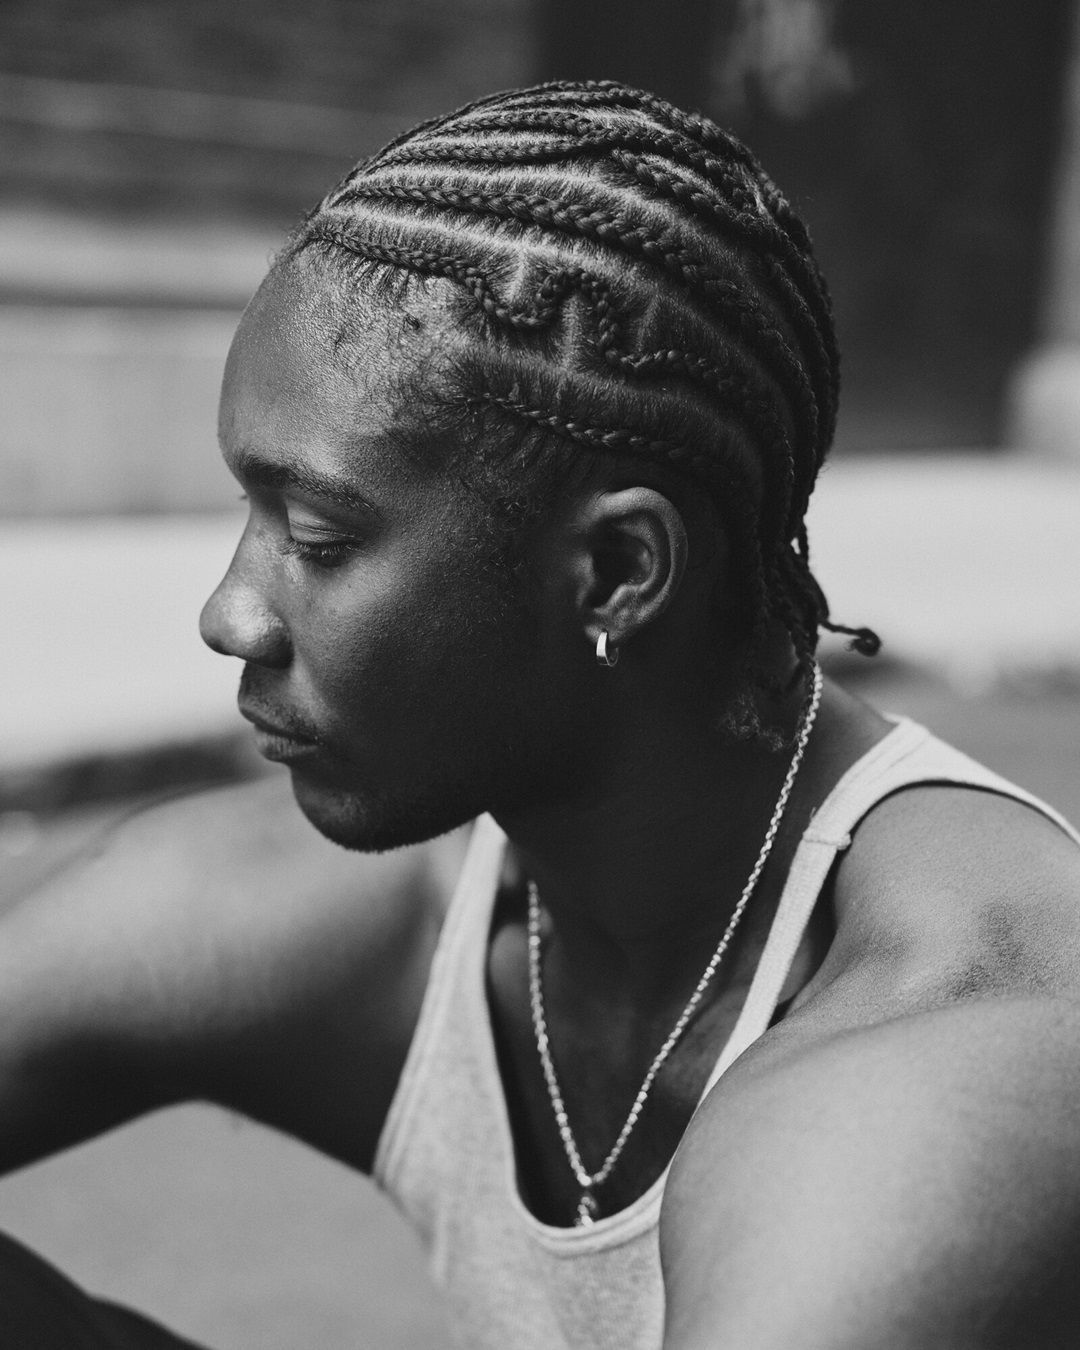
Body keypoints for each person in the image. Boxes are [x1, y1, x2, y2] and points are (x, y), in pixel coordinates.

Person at [4, 79, 1080, 1350]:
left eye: (319, 537)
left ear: (619, 572)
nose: (231, 614)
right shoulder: (374, 918)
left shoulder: (944, 1053)